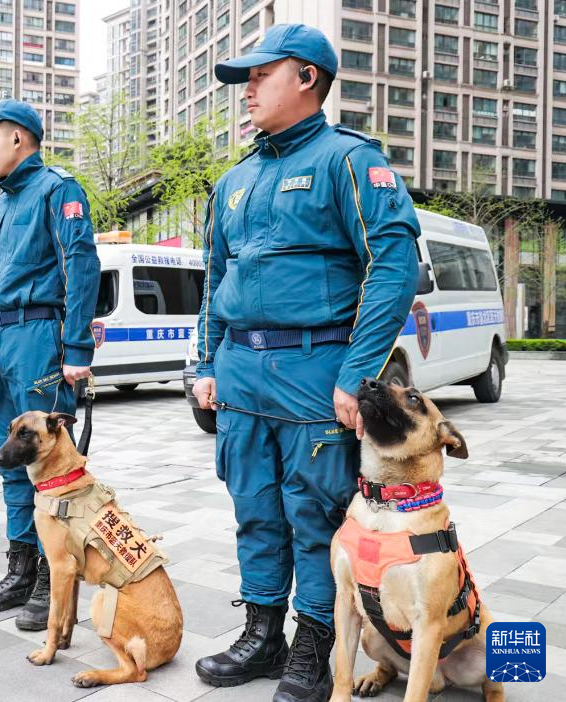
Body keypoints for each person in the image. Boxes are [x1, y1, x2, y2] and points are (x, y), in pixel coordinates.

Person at [190, 25, 420, 702]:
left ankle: (315, 647)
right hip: (239, 372)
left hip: (313, 370)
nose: (248, 89)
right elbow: (216, 279)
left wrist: (356, 374)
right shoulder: (233, 180)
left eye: (262, 74)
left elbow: (392, 267)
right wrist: (205, 363)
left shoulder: (347, 160)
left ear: (307, 78)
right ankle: (261, 634)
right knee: (254, 508)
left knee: (314, 514)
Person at [0, 99, 100, 629]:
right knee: (10, 456)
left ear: (18, 137)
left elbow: (80, 265)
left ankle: (51, 572)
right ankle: (20, 566)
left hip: (39, 335)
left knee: (50, 462)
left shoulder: (56, 189)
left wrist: (76, 348)